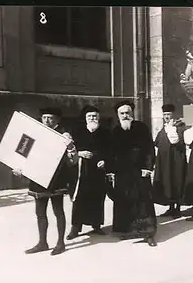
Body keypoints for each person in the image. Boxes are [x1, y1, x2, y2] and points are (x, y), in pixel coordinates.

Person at [12, 107, 77, 256]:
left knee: (58, 211)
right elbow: (23, 153)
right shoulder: (35, 132)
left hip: (56, 179)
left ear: (57, 120)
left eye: (51, 118)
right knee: (40, 212)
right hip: (37, 178)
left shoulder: (64, 135)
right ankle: (42, 242)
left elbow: (72, 161)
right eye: (44, 117)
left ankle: (60, 243)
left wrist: (70, 146)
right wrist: (18, 168)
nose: (47, 121)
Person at [108, 101, 157, 247]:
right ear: (118, 115)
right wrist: (110, 170)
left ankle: (148, 233)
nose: (125, 116)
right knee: (125, 200)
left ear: (132, 113)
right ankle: (127, 230)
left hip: (140, 171)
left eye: (127, 113)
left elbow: (149, 148)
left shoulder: (141, 127)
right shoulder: (114, 130)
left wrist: (148, 167)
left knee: (143, 202)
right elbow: (110, 152)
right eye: (122, 113)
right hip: (122, 172)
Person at [66, 105, 111, 240]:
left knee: (98, 197)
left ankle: (96, 225)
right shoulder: (77, 131)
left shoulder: (105, 132)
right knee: (79, 198)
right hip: (81, 168)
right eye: (89, 116)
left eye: (94, 116)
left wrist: (105, 161)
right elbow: (69, 149)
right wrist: (80, 153)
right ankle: (75, 228)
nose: (92, 118)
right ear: (85, 119)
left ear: (99, 118)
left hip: (98, 169)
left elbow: (111, 150)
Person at [152, 104, 187, 219]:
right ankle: (171, 207)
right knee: (167, 182)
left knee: (176, 181)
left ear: (173, 114)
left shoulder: (180, 127)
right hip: (164, 161)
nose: (166, 116)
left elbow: (179, 142)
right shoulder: (164, 128)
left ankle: (177, 208)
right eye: (165, 114)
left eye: (168, 114)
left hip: (176, 161)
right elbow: (157, 142)